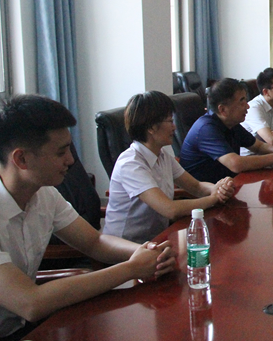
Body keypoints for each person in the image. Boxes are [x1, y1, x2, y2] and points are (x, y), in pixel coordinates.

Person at [0, 95, 176, 341]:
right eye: (61, 152)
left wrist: (145, 251)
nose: (70, 160)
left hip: (21, 331)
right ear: (21, 158)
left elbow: (94, 241)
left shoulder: (44, 194)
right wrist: (132, 268)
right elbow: (30, 302)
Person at [101, 91, 235, 243]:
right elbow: (170, 210)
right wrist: (213, 199)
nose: (174, 127)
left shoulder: (162, 155)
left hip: (156, 240)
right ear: (151, 127)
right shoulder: (131, 164)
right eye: (170, 121)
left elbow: (196, 187)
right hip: (126, 247)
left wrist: (219, 188)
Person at [179, 78, 273, 182]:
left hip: (227, 185)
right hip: (203, 195)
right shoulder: (206, 128)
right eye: (242, 101)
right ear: (223, 109)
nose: (247, 106)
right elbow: (236, 164)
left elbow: (258, 146)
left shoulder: (231, 123)